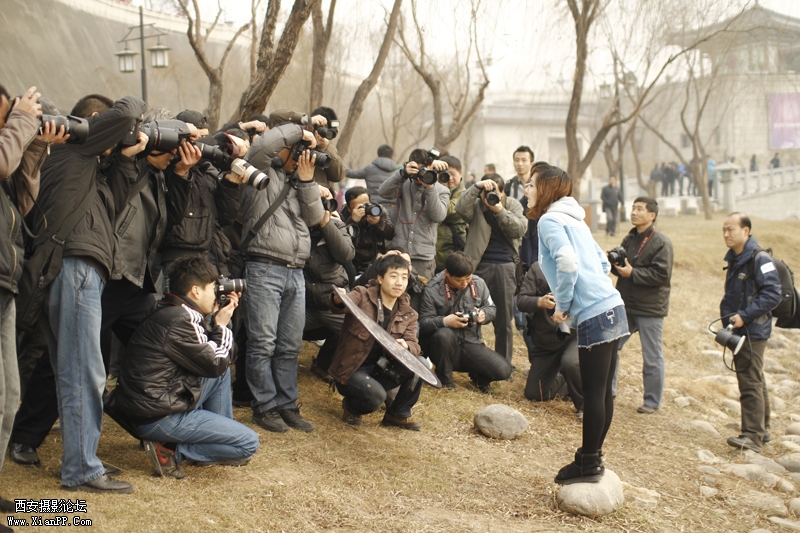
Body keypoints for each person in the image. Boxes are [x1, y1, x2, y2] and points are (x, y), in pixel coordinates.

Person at [20, 93, 147, 494]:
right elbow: (126, 111)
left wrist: (125, 158)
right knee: (84, 371)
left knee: (74, 370)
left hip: (77, 270)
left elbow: (114, 208)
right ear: (93, 121)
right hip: (74, 268)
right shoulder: (72, 148)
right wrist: (136, 108)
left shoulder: (87, 167)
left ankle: (80, 460)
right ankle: (82, 470)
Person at [108, 256, 258, 478]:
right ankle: (170, 449)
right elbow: (216, 362)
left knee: (221, 373)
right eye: (212, 288)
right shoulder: (182, 319)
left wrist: (217, 320)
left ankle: (218, 438)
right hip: (159, 416)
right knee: (247, 443)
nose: (216, 293)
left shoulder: (171, 309)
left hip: (149, 405)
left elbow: (220, 360)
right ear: (196, 291)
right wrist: (222, 326)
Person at [530, 165, 628, 485]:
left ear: (545, 189)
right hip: (613, 305)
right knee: (602, 392)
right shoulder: (576, 219)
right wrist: (593, 288)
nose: (526, 190)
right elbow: (601, 262)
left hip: (595, 313)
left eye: (531, 184)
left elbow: (568, 262)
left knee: (594, 392)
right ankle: (592, 456)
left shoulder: (549, 221)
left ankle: (588, 463)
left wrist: (564, 303)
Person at [0, 84, 67, 515]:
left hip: (5, 281)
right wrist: (22, 121)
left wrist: (37, 146)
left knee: (9, 397)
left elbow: (23, 203)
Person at [240, 120, 324, 433]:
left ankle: (287, 405)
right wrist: (300, 132)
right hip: (264, 266)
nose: (303, 156)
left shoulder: (301, 181)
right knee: (263, 343)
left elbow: (315, 217)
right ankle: (264, 407)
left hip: (296, 271)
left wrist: (308, 180)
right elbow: (262, 146)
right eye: (298, 151)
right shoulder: (261, 170)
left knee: (289, 346)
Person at [329, 254, 423, 430]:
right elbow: (342, 304)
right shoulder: (362, 294)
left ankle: (396, 414)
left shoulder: (409, 312)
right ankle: (351, 407)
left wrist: (406, 346)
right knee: (376, 398)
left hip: (382, 368)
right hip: (352, 369)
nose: (399, 282)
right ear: (380, 278)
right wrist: (338, 298)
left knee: (420, 364)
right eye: (393, 276)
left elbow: (415, 345)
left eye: (404, 277)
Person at [721, 213, 782, 453]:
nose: (726, 234)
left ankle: (752, 436)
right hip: (741, 328)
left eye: (731, 229)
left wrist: (744, 316)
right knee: (755, 378)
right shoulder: (736, 258)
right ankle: (762, 430)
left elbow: (773, 294)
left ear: (746, 231)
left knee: (749, 381)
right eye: (724, 230)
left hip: (753, 329)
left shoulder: (759, 258)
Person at [610, 197, 673, 414]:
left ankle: (652, 401)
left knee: (652, 355)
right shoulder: (629, 238)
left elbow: (662, 275)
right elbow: (624, 267)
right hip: (626, 304)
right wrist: (614, 264)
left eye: (639, 209)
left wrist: (633, 273)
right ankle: (609, 391)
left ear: (652, 215)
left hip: (650, 307)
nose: (634, 212)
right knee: (611, 347)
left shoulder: (661, 242)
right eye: (633, 208)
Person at [456, 174, 527, 363]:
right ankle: (470, 359)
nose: (490, 196)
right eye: (486, 193)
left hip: (505, 267)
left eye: (495, 192)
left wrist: (499, 210)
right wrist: (476, 187)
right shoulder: (477, 205)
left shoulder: (513, 205)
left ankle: (503, 363)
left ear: (503, 192)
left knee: (504, 320)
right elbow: (460, 209)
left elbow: (519, 229)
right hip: (477, 266)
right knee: (469, 313)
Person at [419, 252, 512, 392]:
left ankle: (478, 376)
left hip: (471, 342)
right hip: (444, 346)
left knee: (504, 370)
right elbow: (423, 323)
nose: (464, 284)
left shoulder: (479, 283)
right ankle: (445, 380)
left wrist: (484, 315)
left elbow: (492, 308)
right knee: (443, 335)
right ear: (447, 273)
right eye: (459, 280)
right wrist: (445, 321)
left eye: (468, 278)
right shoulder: (432, 290)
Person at [517, 262, 583, 415]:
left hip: (574, 336)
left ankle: (584, 404)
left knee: (570, 363)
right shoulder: (538, 268)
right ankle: (569, 382)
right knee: (534, 393)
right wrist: (539, 302)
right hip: (546, 340)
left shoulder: (579, 265)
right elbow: (521, 301)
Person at [303, 186, 355, 377]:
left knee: (354, 330)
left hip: (330, 303)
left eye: (327, 203)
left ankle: (324, 365)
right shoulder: (299, 224)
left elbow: (346, 254)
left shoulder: (336, 225)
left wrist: (327, 225)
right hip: (303, 304)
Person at [378, 148, 449, 281]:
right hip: (399, 251)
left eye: (422, 170)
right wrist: (402, 173)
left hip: (423, 256)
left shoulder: (441, 190)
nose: (419, 175)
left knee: (420, 292)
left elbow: (438, 216)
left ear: (429, 168)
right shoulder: (404, 183)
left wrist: (430, 187)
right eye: (416, 170)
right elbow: (382, 192)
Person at [269, 107, 345, 189]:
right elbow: (274, 116)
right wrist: (306, 120)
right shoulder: (297, 136)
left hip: (314, 194)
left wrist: (325, 148)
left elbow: (338, 176)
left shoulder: (328, 150)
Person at [342, 186, 394, 274]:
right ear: (349, 208)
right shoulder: (343, 216)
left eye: (366, 205)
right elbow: (340, 243)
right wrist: (352, 221)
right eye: (358, 207)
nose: (363, 210)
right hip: (354, 264)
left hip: (378, 260)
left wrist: (378, 223)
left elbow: (391, 234)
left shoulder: (378, 210)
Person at [345, 144, 398, 221]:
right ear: (392, 157)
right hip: (393, 209)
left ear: (378, 156)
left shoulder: (370, 169)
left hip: (374, 209)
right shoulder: (397, 173)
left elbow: (351, 173)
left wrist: (338, 165)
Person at [435, 155, 467, 272]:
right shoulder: (435, 189)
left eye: (452, 174)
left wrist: (440, 186)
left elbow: (446, 211)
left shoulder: (465, 195)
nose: (449, 178)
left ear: (461, 173)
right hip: (433, 254)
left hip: (450, 253)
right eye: (445, 174)